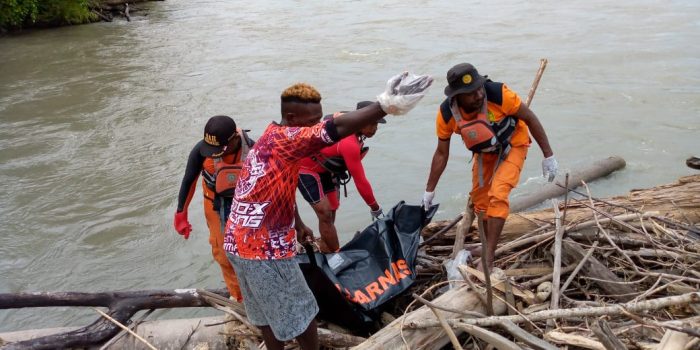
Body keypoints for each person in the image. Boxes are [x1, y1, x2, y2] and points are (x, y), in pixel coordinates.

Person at [224, 74, 432, 350]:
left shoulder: (271, 135)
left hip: (237, 242)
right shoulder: (290, 138)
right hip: (263, 249)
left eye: (318, 118)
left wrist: (297, 223)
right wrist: (385, 105)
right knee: (303, 309)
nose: (316, 126)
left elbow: (273, 186)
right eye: (311, 121)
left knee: (265, 311)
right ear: (291, 116)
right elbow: (335, 127)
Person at [422, 63, 558, 269]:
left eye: (479, 88)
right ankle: (486, 244)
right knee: (481, 203)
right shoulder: (447, 114)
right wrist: (429, 191)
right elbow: (441, 153)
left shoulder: (498, 94)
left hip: (514, 143)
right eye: (470, 93)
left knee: (498, 195)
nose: (478, 95)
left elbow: (529, 117)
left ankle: (488, 256)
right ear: (457, 96)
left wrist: (548, 155)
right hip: (484, 154)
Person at [173, 115, 255, 301]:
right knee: (224, 255)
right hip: (215, 205)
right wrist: (181, 213)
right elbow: (189, 180)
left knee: (251, 253)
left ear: (235, 138)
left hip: (248, 207)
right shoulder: (201, 151)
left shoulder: (254, 150)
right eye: (211, 149)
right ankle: (241, 299)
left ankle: (259, 293)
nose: (213, 153)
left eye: (219, 149)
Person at [297, 100, 386, 253]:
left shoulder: (353, 127)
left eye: (377, 125)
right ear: (360, 120)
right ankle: (336, 255)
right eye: (372, 123)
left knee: (332, 209)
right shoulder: (348, 143)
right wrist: (375, 208)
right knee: (324, 213)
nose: (375, 128)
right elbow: (361, 180)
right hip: (305, 168)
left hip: (325, 170)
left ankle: (326, 247)